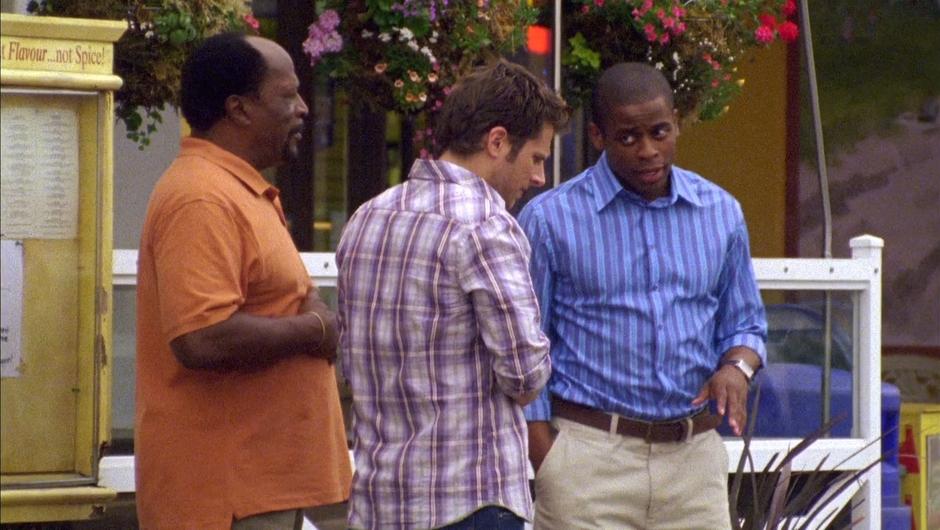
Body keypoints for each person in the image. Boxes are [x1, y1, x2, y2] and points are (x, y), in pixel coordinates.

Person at [520, 62, 767, 529]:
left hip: (694, 463)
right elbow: (526, 344)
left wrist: (737, 367)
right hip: (589, 461)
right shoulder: (550, 220)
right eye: (628, 137)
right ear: (598, 136)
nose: (648, 150)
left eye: (659, 131)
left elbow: (746, 323)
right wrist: (546, 457)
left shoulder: (721, 212)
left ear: (676, 122)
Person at [335, 59, 570, 530]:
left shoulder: (367, 216)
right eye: (537, 158)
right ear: (497, 141)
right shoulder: (486, 223)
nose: (540, 177)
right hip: (469, 500)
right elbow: (525, 377)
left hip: (380, 500)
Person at [135, 33, 351, 529]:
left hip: (259, 490)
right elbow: (201, 338)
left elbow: (287, 292)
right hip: (225, 498)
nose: (302, 109)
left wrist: (310, 311)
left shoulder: (238, 188)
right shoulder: (202, 198)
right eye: (287, 95)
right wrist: (316, 331)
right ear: (239, 108)